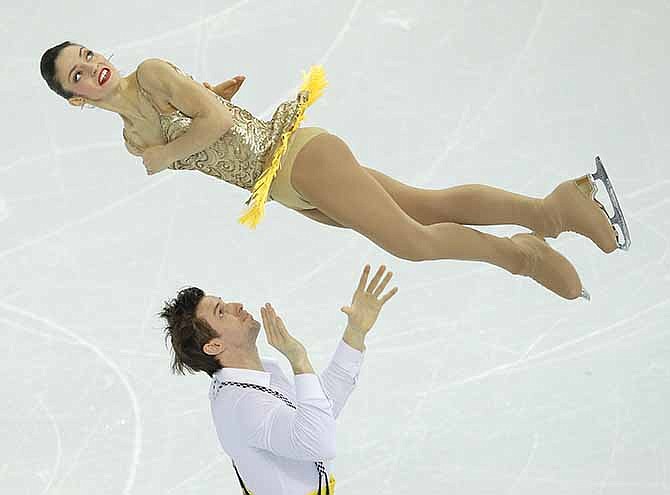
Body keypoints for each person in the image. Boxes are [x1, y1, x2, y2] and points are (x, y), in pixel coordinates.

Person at [40, 41, 631, 300]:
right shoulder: (130, 136)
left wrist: (168, 151)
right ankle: (552, 209)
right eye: (76, 73)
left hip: (297, 154)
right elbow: (207, 120)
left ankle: (527, 253)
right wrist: (197, 112)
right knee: (427, 206)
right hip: (285, 190)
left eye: (88, 54)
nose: (91, 66)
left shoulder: (147, 72)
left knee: (414, 244)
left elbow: (217, 123)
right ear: (74, 100)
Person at [159, 264, 398, 495]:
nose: (236, 306)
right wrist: (298, 359)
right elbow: (320, 442)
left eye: (224, 302)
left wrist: (355, 333)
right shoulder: (244, 405)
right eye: (221, 312)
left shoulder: (258, 374)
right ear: (214, 346)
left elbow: (319, 413)